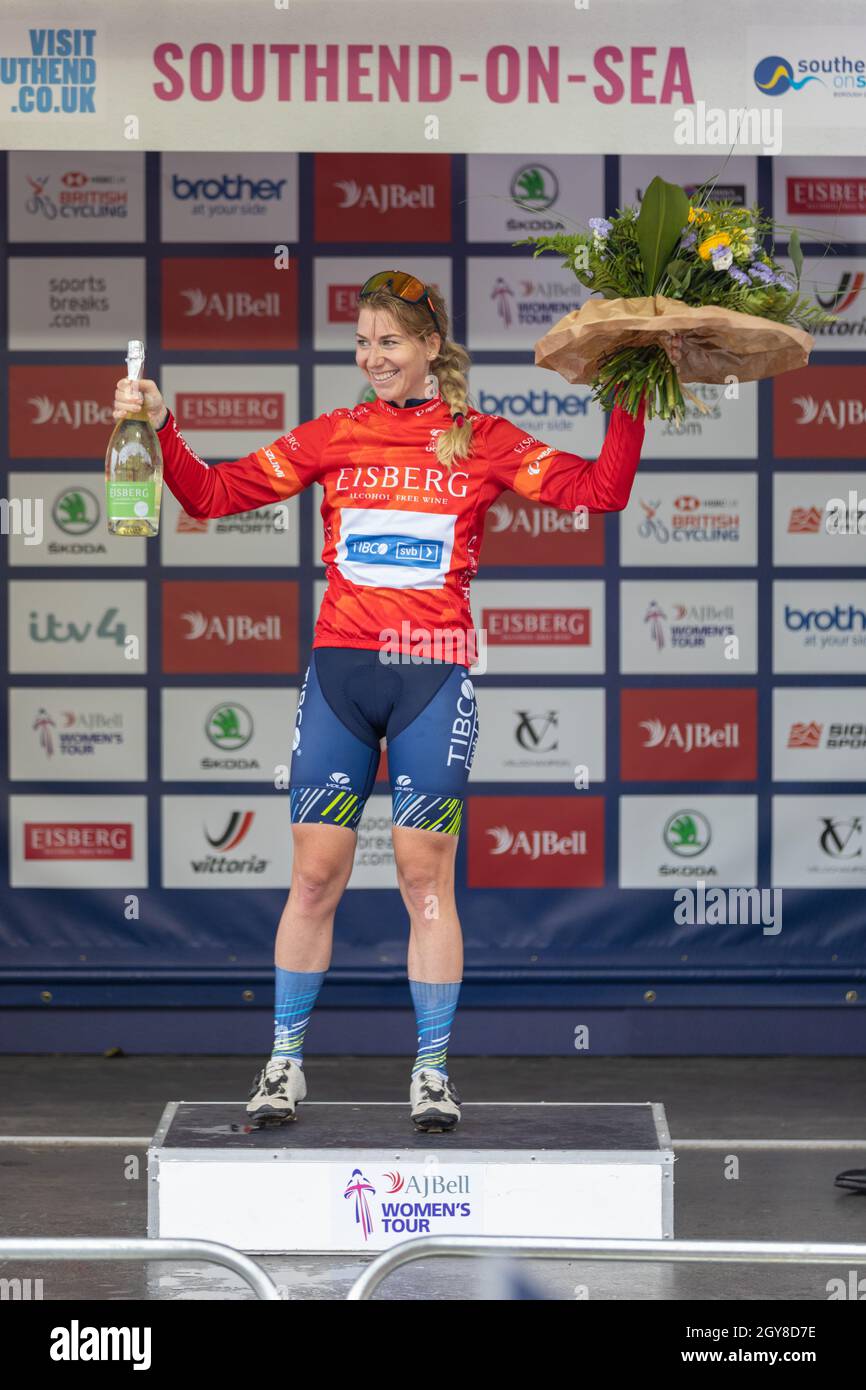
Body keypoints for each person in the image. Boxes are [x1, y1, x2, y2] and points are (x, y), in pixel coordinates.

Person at [113, 270, 682, 1133]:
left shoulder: (479, 439)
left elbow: (601, 490)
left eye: (390, 342)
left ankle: (431, 1072)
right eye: (363, 343)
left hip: (432, 677)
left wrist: (634, 389)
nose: (374, 357)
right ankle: (284, 1063)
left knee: (425, 883)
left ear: (429, 349)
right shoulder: (334, 434)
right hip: (342, 674)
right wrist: (159, 424)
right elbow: (212, 495)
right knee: (312, 878)